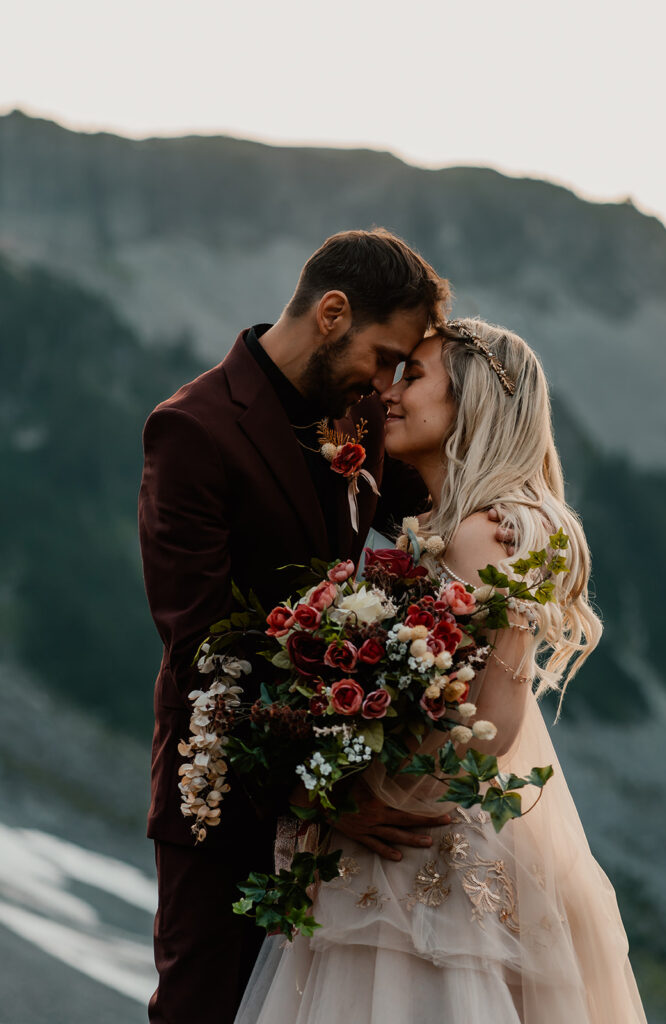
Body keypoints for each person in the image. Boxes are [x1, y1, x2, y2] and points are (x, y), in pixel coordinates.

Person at [235, 318, 648, 1023]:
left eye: (414, 377)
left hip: (411, 852)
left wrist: (358, 796)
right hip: (427, 839)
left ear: (473, 402)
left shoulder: (479, 533)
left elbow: (492, 724)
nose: (389, 395)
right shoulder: (478, 523)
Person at [138, 228, 458, 1024]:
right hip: (226, 789)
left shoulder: (354, 412)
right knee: (201, 1009)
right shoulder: (192, 429)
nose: (387, 386)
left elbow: (436, 510)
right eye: (384, 356)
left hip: (341, 782)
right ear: (331, 312)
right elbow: (203, 641)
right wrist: (311, 792)